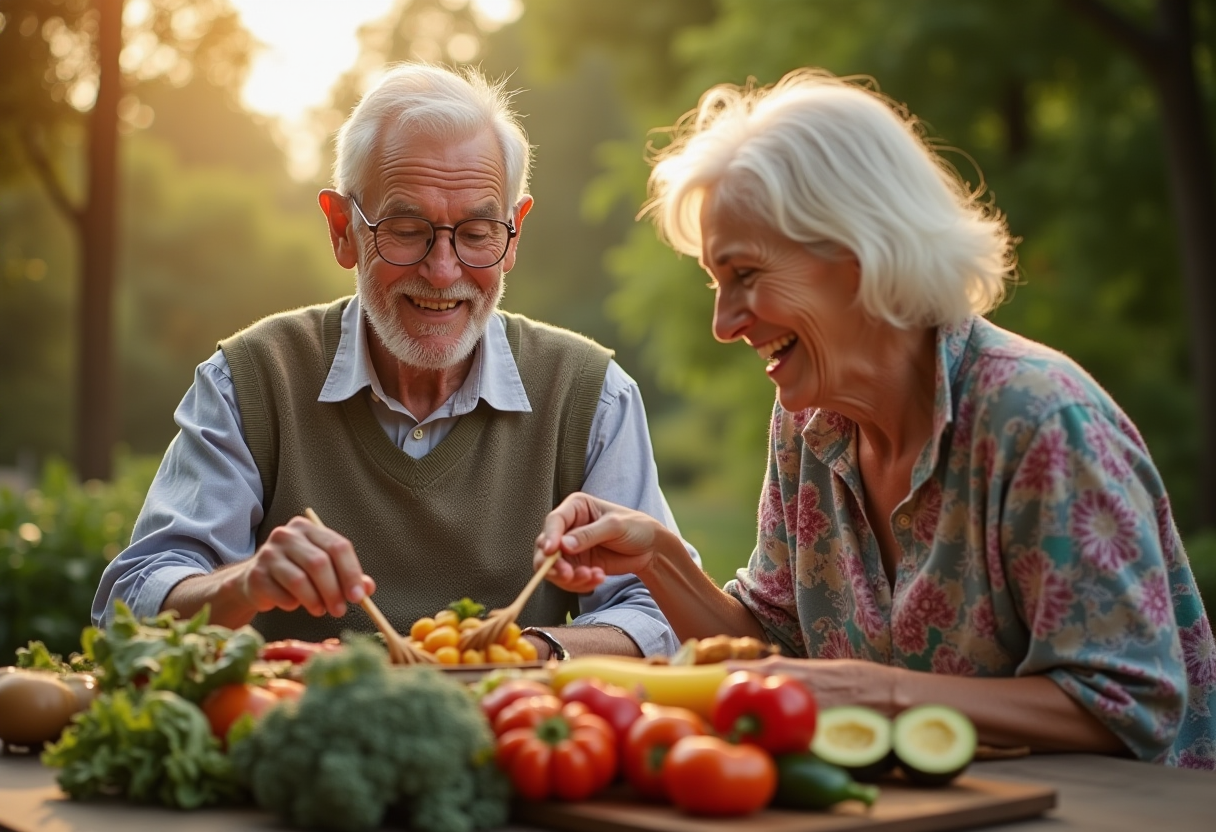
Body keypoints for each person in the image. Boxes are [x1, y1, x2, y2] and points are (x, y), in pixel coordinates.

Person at [534, 69, 1216, 768]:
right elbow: (775, 650)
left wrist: (881, 692)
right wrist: (656, 557)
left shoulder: (1039, 420)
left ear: (856, 253)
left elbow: (1134, 703)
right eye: (716, 283)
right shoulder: (807, 423)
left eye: (744, 275)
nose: (723, 323)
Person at [92, 63, 698, 662]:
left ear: (514, 233)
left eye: (479, 231)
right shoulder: (250, 382)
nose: (443, 271)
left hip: (514, 745)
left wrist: (529, 650)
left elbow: (659, 613)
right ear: (341, 230)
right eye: (407, 229)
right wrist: (243, 581)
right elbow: (134, 597)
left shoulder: (590, 395)